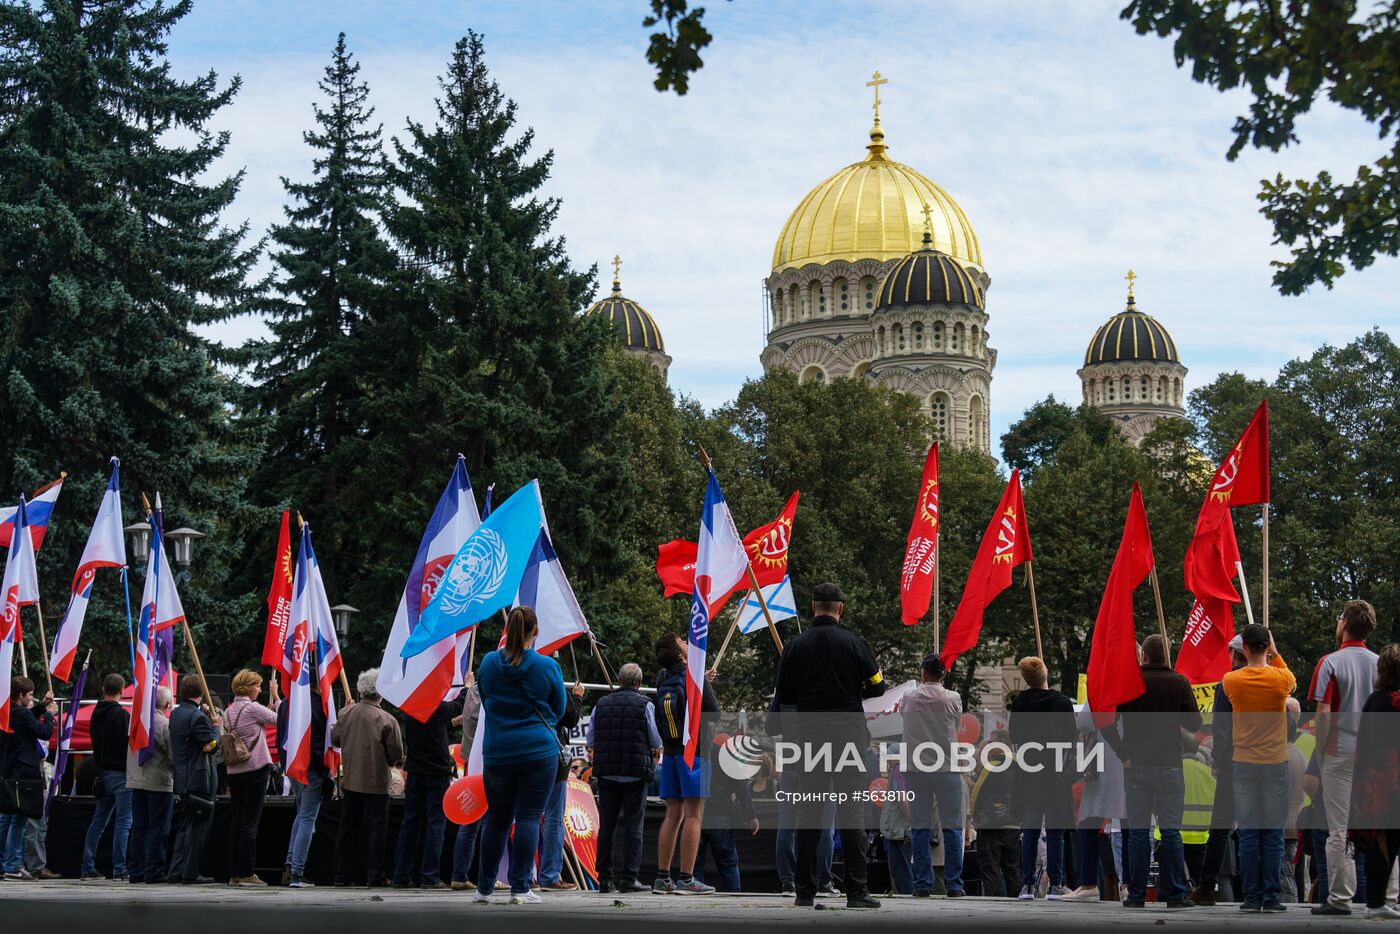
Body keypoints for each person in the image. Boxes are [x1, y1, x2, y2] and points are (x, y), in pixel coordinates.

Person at [773, 582, 886, 910]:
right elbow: (879, 688)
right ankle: (857, 891)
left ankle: (804, 891)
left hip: (810, 737)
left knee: (809, 812)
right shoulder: (856, 643)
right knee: (851, 812)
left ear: (812, 607)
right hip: (849, 735)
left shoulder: (795, 646)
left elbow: (786, 698)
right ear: (840, 609)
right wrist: (852, 694)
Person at [473, 606, 567, 905]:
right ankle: (520, 887)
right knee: (528, 817)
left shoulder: (487, 663)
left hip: (498, 751)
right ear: (535, 631)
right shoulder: (546, 667)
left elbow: (486, 700)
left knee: (496, 820)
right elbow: (561, 708)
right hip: (538, 751)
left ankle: (484, 888)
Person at [1102, 635, 1202, 908]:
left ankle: (1136, 894)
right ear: (1165, 655)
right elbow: (1195, 722)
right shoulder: (1178, 682)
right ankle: (1174, 894)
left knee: (1137, 832)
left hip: (1136, 767)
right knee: (1170, 831)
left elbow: (1105, 721)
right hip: (1170, 764)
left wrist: (1123, 752)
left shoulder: (1130, 684)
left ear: (1143, 655)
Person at [1308, 600, 1379, 917]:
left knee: (1339, 830)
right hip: (1376, 755)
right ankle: (1384, 898)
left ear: (1346, 623)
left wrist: (1320, 753)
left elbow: (1323, 714)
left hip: (1340, 752)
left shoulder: (1330, 663)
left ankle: (1339, 898)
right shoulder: (1381, 664)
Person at [1222, 622, 1295, 912]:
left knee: (1249, 834)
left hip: (1244, 763)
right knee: (1273, 833)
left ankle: (1251, 897)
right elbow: (1291, 679)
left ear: (1245, 648)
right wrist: (1274, 652)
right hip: (1275, 761)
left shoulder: (1231, 681)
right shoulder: (1281, 679)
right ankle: (1271, 896)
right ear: (1267, 647)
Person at [651, 630, 720, 896]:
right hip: (695, 751)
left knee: (672, 814)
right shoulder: (692, 676)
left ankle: (662, 878)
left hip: (670, 752)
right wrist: (703, 682)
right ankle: (687, 879)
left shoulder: (662, 677)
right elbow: (713, 712)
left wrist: (701, 679)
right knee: (693, 815)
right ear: (680, 653)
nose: (687, 641)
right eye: (682, 641)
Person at [586, 662, 661, 894]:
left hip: (607, 773)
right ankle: (629, 878)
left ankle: (605, 878)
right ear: (639, 683)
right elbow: (655, 740)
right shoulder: (646, 705)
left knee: (606, 826)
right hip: (635, 773)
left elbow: (590, 739)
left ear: (619, 681)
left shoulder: (601, 704)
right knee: (633, 827)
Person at [1008, 656, 1076, 900]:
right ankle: (1056, 883)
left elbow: (1014, 735)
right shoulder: (1061, 702)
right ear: (1045, 673)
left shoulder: (1019, 702)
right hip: (1055, 773)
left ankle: (1027, 885)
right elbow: (1071, 736)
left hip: (1029, 773)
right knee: (1056, 832)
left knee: (1031, 830)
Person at [900, 653, 967, 897]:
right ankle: (954, 885)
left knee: (919, 828)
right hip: (946, 768)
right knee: (952, 828)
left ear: (922, 673)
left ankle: (922, 884)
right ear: (943, 675)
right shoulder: (953, 698)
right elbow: (957, 722)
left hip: (916, 769)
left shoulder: (908, 698)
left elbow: (903, 717)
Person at [332, 668, 404, 888]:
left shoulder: (346, 714)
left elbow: (335, 740)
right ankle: (375, 876)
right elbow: (396, 754)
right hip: (377, 782)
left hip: (351, 780)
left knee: (348, 830)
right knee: (376, 832)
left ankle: (342, 876)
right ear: (380, 691)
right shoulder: (387, 719)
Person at [391, 682, 466, 889]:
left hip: (415, 771)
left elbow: (431, 727)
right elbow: (458, 705)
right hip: (436, 773)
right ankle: (429, 876)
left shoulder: (411, 707)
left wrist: (451, 724)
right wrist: (467, 687)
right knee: (435, 825)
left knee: (410, 825)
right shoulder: (438, 707)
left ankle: (401, 875)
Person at [1190, 633, 1246, 905]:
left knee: (1220, 829)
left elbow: (1222, 728)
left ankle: (1205, 886)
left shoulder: (1227, 683)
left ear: (1235, 654)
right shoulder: (1273, 679)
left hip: (1233, 764)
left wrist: (1220, 763)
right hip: (1263, 762)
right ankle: (1258, 889)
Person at [1348, 643, 1400, 920]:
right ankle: (1377, 903)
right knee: (1386, 842)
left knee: (1381, 840)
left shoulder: (1374, 699)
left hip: (1372, 780)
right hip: (1388, 782)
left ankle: (1378, 901)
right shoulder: (1393, 701)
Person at [1064, 708, 1125, 902]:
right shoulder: (1135, 687)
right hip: (1130, 760)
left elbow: (1084, 723)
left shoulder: (1103, 687)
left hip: (1102, 761)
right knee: (1129, 822)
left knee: (1088, 820)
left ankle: (1089, 884)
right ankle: (1130, 885)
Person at [224, 669, 278, 886]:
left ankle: (234, 872)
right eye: (257, 685)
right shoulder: (253, 708)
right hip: (255, 769)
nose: (261, 689)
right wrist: (277, 696)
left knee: (237, 821)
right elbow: (279, 719)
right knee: (250, 823)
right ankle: (246, 872)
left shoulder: (229, 711)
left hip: (235, 771)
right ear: (248, 687)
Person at [0, 677, 55, 880]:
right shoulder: (20, 713)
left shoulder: (9, 712)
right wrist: (49, 715)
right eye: (30, 695)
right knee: (19, 819)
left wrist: (41, 705)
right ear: (21, 695)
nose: (31, 697)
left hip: (9, 770)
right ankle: (13, 864)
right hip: (23, 773)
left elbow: (27, 719)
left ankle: (4, 863)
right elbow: (43, 732)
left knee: (6, 818)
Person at [168, 675, 219, 884]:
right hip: (198, 778)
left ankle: (176, 870)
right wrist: (216, 725)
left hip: (182, 776)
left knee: (185, 827)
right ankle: (190, 872)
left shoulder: (176, 713)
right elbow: (212, 743)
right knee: (197, 828)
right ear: (200, 693)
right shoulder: (197, 717)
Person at [80, 673, 132, 880]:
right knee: (124, 821)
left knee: (98, 821)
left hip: (102, 772)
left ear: (103, 689)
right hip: (120, 772)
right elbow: (126, 744)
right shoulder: (121, 714)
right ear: (121, 692)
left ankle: (87, 866)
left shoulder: (95, 713)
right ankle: (120, 868)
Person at [280, 678, 329, 888]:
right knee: (308, 818)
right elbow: (318, 739)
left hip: (292, 765)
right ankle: (297, 873)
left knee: (301, 816)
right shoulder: (317, 703)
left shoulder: (286, 702)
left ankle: (291, 865)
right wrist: (323, 769)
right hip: (310, 767)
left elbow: (279, 736)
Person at [538, 677, 584, 892]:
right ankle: (549, 875)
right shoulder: (552, 681)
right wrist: (577, 698)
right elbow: (571, 718)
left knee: (524, 816)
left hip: (519, 751)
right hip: (552, 754)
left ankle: (522, 875)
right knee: (554, 817)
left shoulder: (515, 680)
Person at [126, 685, 174, 884]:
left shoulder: (135, 723)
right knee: (158, 828)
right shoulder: (164, 724)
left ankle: (136, 871)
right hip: (158, 782)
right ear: (167, 704)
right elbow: (172, 756)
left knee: (139, 828)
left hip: (136, 780)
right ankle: (153, 870)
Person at [696, 739, 757, 893]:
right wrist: (751, 815)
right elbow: (741, 785)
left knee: (694, 865)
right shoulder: (724, 755)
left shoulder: (689, 752)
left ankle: (693, 902)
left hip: (694, 814)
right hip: (720, 813)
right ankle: (734, 898)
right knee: (728, 864)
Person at [970, 730, 1019, 897]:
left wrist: (972, 815)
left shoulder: (993, 765)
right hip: (1013, 824)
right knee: (1012, 869)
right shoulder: (1020, 767)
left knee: (990, 869)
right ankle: (1018, 903)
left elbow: (977, 793)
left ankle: (994, 903)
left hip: (991, 825)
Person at [450, 676, 482, 891]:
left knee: (471, 821)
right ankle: (488, 876)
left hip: (475, 761)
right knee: (487, 821)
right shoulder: (487, 690)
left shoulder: (476, 691)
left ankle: (460, 874)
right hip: (488, 762)